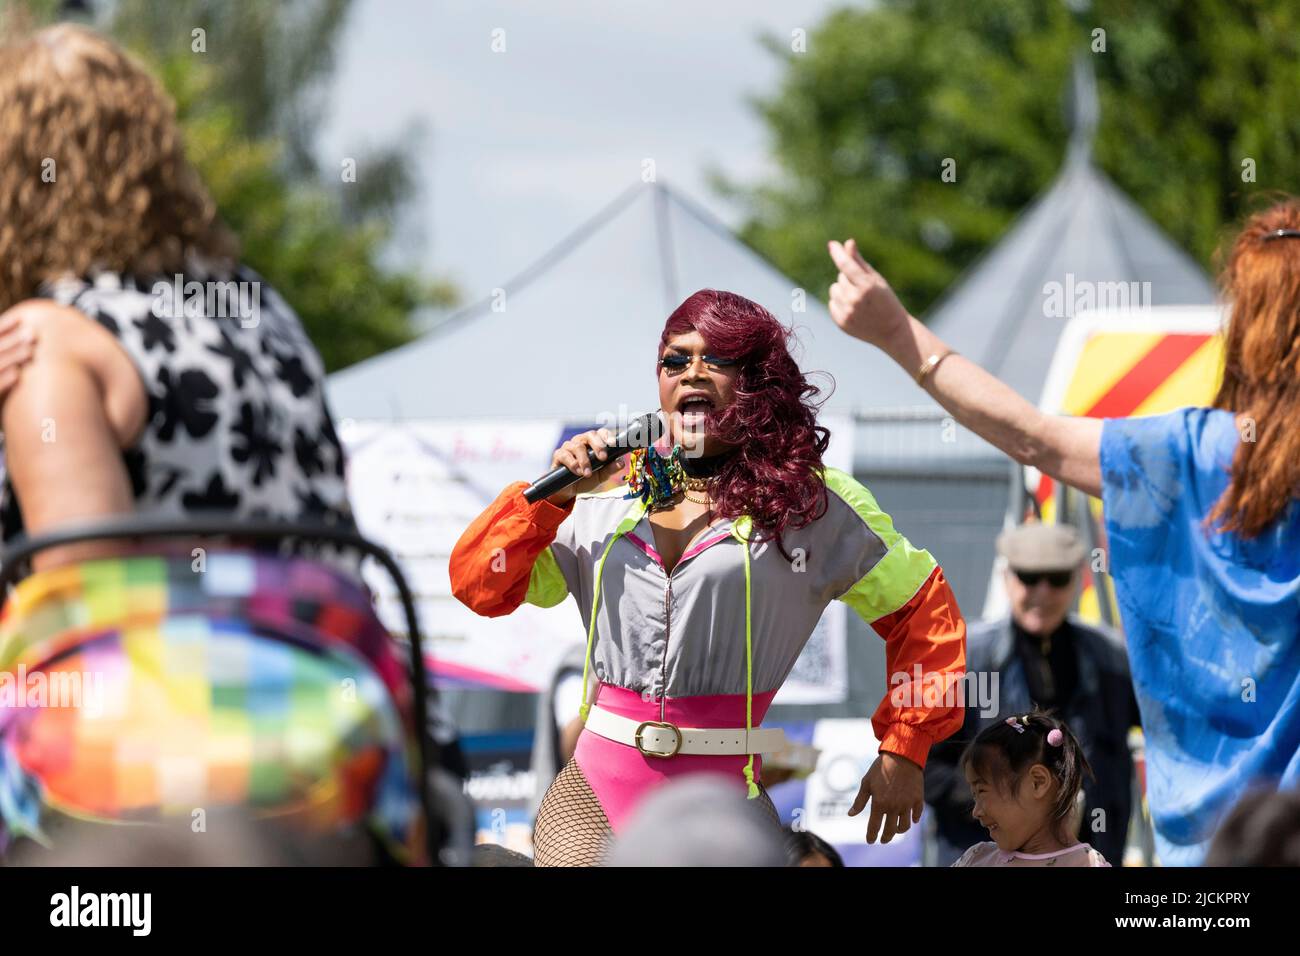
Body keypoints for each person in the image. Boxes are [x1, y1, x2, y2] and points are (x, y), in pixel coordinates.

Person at [0, 24, 423, 862]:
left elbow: (84, 609)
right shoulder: (265, 311)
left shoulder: (52, 340)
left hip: (158, 757)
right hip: (339, 715)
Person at [826, 205, 1300, 865]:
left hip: (1206, 850)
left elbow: (1029, 433)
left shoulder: (1182, 453)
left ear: (1246, 326)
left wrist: (899, 334)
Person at [450, 289, 967, 866]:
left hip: (727, 799)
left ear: (757, 383)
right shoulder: (602, 492)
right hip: (593, 793)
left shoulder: (813, 503)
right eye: (675, 359)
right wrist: (549, 502)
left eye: (716, 359)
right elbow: (480, 585)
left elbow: (925, 614)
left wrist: (905, 749)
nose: (691, 373)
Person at [925, 522, 1140, 865]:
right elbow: (928, 767)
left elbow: (1168, 732)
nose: (1042, 592)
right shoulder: (963, 660)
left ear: (1076, 580)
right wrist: (1004, 802)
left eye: (1056, 579)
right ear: (1006, 577)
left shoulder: (1110, 658)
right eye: (1028, 577)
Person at [953, 711, 1110, 867]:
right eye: (974, 796)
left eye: (981, 791)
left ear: (1037, 782)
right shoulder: (977, 858)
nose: (976, 812)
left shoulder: (1085, 864)